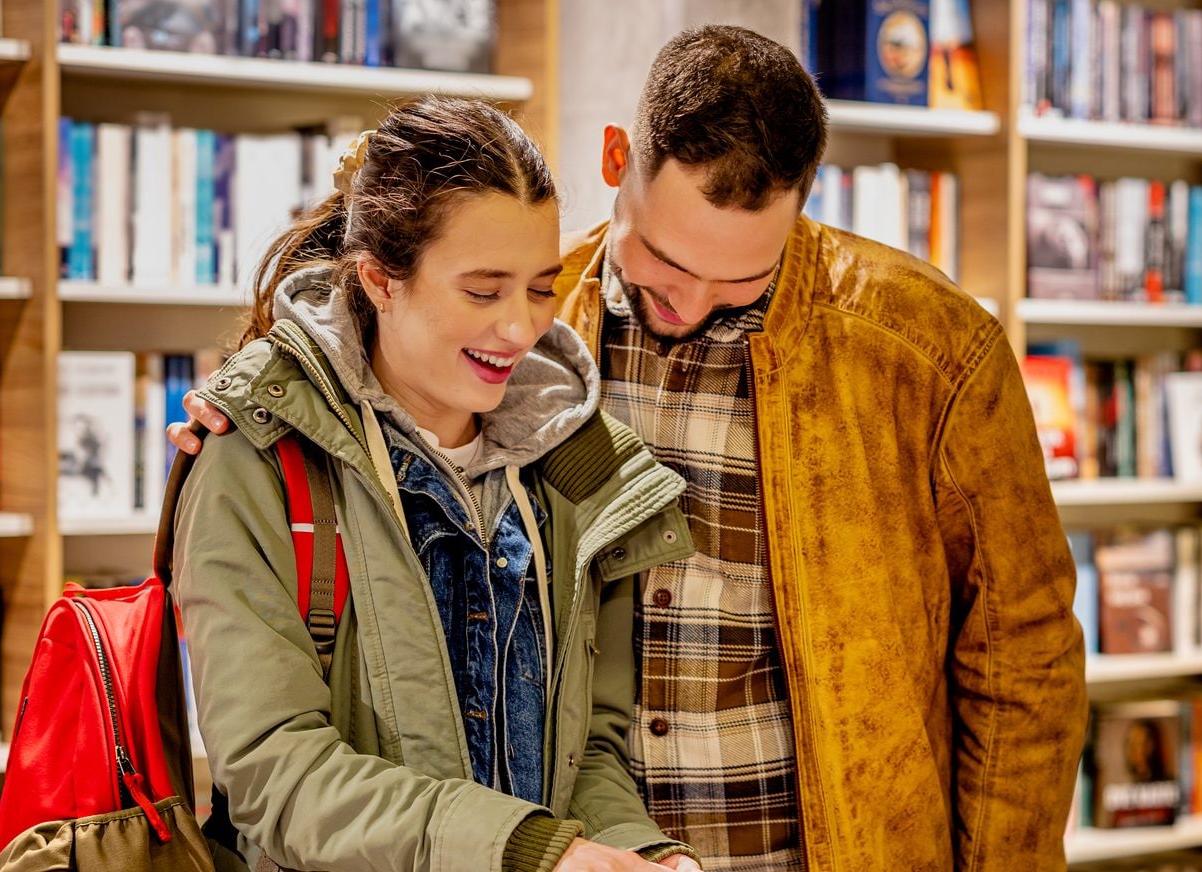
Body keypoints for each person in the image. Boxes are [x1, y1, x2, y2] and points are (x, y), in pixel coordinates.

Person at [175, 27, 1087, 869]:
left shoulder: (928, 352)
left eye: (743, 279)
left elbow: (1024, 658)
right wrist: (245, 409)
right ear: (618, 160)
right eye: (666, 261)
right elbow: (348, 354)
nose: (690, 303)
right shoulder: (533, 322)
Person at [171, 97, 705, 872]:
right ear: (381, 280)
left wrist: (646, 856)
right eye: (483, 292)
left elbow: (584, 756)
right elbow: (272, 776)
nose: (521, 329)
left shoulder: (578, 469)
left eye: (541, 288)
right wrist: (529, 853)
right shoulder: (254, 458)